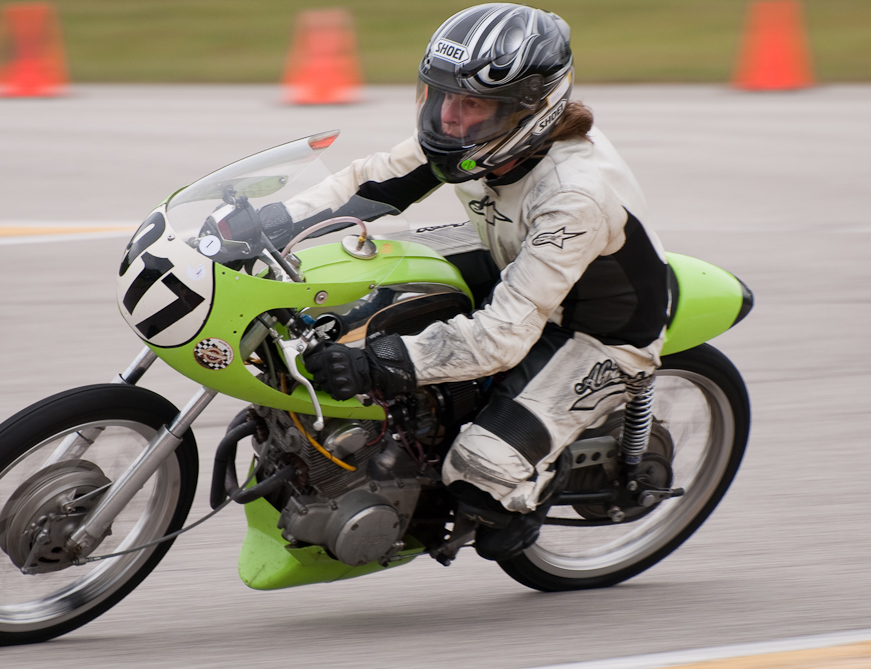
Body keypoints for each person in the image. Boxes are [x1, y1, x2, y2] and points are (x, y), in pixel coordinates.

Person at [266, 3, 670, 561]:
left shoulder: (574, 195)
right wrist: (270, 224)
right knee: (353, 287)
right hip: (516, 264)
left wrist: (383, 361)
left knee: (478, 471)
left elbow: (502, 337)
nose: (450, 118)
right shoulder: (474, 143)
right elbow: (370, 181)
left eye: (472, 103)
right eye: (441, 97)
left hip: (594, 329)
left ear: (531, 110)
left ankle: (526, 489)